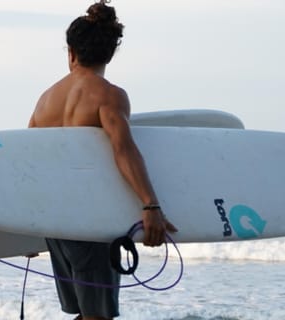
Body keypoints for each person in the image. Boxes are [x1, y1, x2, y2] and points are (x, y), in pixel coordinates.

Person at [27, 2, 178, 319]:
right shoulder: (108, 95)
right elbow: (123, 148)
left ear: (71, 52)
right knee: (97, 315)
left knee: (85, 312)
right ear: (110, 53)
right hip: (89, 219)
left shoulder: (44, 100)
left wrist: (26, 225)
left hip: (55, 221)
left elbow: (30, 164)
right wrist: (150, 205)